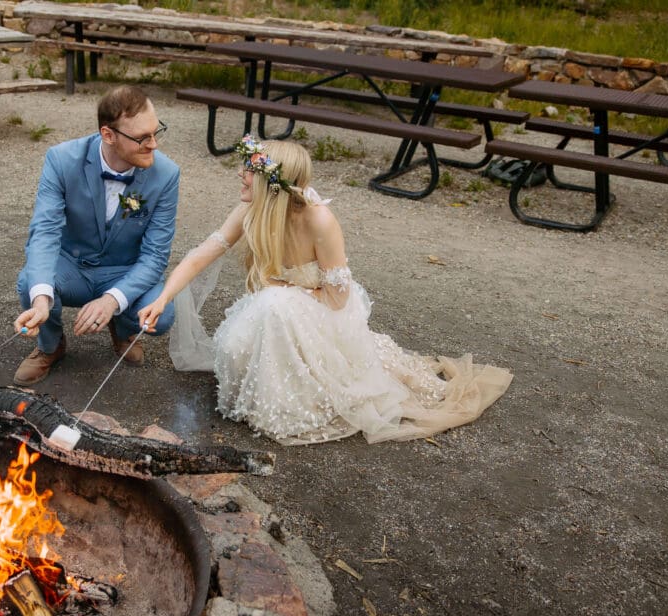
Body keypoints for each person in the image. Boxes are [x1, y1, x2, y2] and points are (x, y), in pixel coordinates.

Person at [139, 135, 512, 445]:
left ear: (272, 182)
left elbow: (339, 297)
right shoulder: (251, 209)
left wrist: (286, 291)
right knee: (238, 341)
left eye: (249, 171)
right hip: (275, 310)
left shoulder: (319, 219)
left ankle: (292, 400)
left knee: (273, 303)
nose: (240, 174)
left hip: (321, 311)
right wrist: (162, 297)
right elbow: (201, 254)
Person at [12, 85, 179, 385]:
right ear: (108, 135)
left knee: (162, 317)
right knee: (30, 284)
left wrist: (113, 300)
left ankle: (123, 327)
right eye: (142, 137)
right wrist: (40, 300)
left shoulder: (166, 175)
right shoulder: (61, 160)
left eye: (156, 132)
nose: (153, 144)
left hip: (122, 270)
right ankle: (51, 346)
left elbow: (155, 256)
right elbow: (44, 232)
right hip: (72, 268)